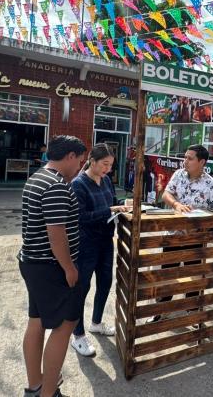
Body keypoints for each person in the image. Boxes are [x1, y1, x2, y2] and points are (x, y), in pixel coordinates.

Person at [19, 135, 87, 397]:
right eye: (79, 162)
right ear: (70, 156)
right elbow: (56, 233)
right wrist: (69, 268)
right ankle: (48, 393)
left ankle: (35, 385)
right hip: (51, 267)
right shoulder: (57, 185)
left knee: (36, 322)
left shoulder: (36, 177)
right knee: (65, 325)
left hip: (34, 262)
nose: (79, 167)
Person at [69, 144, 130, 357]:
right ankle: (77, 335)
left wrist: (123, 204)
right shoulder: (78, 184)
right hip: (86, 244)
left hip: (106, 241)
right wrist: (110, 209)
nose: (108, 169)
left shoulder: (105, 181)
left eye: (111, 165)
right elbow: (81, 217)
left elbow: (112, 203)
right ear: (92, 161)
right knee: (81, 288)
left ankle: (96, 323)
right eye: (105, 164)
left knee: (105, 282)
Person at [150, 145, 213, 322]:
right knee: (167, 272)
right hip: (173, 234)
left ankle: (192, 309)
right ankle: (162, 308)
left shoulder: (212, 185)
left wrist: (201, 217)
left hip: (195, 237)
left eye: (190, 158)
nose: (185, 161)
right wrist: (176, 205)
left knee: (193, 272)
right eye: (185, 157)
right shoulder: (178, 175)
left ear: (201, 162)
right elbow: (166, 194)